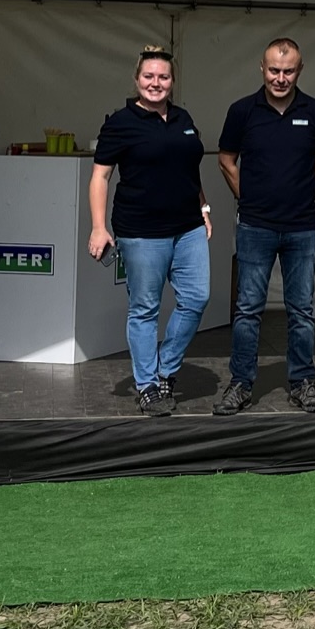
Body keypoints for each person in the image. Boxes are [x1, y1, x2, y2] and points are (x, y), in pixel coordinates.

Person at [89, 46, 213, 416]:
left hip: (188, 227)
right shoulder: (120, 123)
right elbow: (100, 177)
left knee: (197, 298)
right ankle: (147, 385)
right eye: (148, 76)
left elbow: (189, 169)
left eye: (163, 77)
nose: (155, 83)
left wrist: (204, 207)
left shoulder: (183, 118)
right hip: (141, 231)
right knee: (145, 309)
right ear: (137, 79)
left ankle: (164, 371)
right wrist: (98, 227)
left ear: (172, 82)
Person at [215, 38, 315, 415]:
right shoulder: (242, 111)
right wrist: (246, 195)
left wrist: (300, 188)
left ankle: (303, 383)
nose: (280, 78)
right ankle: (240, 384)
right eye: (273, 70)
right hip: (255, 226)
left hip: (302, 227)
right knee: (248, 309)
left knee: (301, 310)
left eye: (288, 71)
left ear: (300, 70)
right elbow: (226, 159)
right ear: (262, 68)